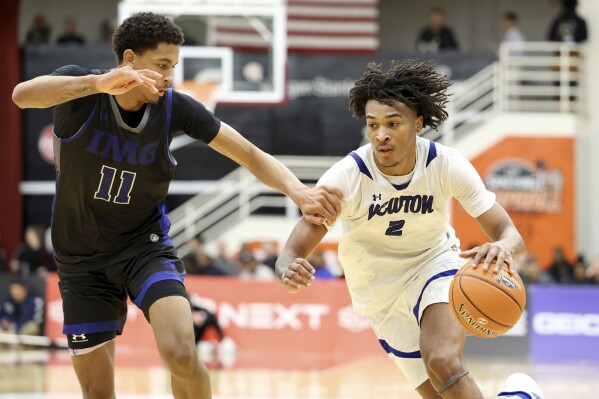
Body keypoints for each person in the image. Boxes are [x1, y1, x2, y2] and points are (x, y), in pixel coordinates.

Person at [12, 12, 341, 399]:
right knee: (98, 393)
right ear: (130, 59)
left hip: (143, 248)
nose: (170, 76)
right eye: (162, 65)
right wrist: (97, 83)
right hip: (80, 261)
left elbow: (250, 155)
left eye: (174, 67)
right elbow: (22, 95)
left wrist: (299, 193)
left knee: (182, 353)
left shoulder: (174, 107)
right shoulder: (80, 91)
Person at [275, 60, 544, 399]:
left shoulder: (444, 164)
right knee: (440, 393)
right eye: (372, 124)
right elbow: (293, 249)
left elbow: (509, 233)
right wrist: (286, 267)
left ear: (417, 123)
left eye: (392, 123)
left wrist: (504, 247)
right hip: (379, 293)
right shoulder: (348, 176)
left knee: (443, 360)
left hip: (434, 265)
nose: (380, 134)